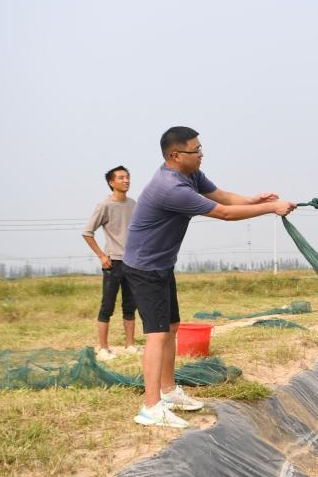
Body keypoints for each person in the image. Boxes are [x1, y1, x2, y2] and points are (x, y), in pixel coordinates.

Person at [123, 127, 296, 428]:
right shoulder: (170, 188)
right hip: (144, 267)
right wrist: (271, 209)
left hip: (162, 264)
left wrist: (254, 200)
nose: (201, 154)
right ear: (176, 156)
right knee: (157, 334)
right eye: (196, 150)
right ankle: (150, 408)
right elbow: (224, 213)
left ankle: (168, 391)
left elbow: (223, 197)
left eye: (201, 149)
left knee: (172, 326)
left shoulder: (190, 175)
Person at [82, 165, 137, 361]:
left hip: (132, 263)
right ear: (111, 182)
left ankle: (130, 345)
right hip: (112, 263)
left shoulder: (133, 204)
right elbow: (87, 232)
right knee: (107, 306)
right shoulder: (104, 205)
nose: (126, 180)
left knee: (131, 305)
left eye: (128, 177)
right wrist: (101, 256)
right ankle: (103, 348)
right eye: (121, 177)